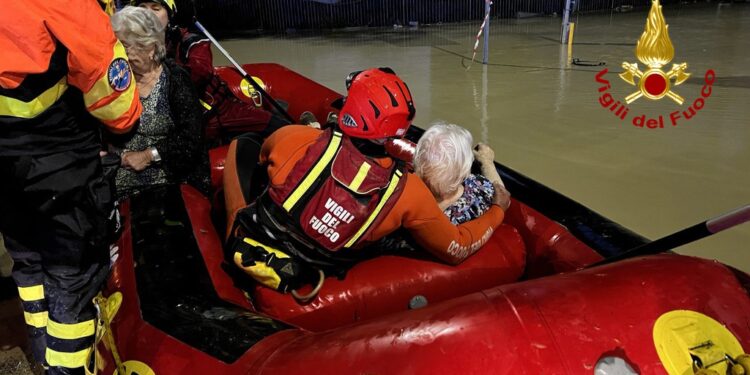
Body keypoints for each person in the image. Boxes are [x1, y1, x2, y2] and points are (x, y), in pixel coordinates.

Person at [223, 68, 511, 295]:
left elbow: (261, 157)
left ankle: (231, 228)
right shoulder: (408, 191)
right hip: (317, 268)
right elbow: (456, 248)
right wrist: (498, 209)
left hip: (256, 242)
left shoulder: (294, 138)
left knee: (244, 143)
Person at [0, 1, 142, 373]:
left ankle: (40, 348)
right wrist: (126, 130)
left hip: (5, 169)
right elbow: (116, 104)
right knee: (72, 277)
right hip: (58, 163)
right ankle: (66, 368)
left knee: (28, 260)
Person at [135, 0, 290, 137]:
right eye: (142, 8)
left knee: (278, 127)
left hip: (221, 111)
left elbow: (200, 72)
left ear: (170, 15)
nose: (148, 14)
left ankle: (285, 119)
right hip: (184, 119)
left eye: (155, 9)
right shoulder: (128, 48)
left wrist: (157, 72)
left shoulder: (191, 41)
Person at [109, 6, 210, 199]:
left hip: (170, 180)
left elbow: (191, 141)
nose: (119, 54)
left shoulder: (175, 79)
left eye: (125, 46)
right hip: (118, 178)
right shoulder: (114, 80)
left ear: (151, 48)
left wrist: (147, 156)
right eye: (116, 46)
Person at [414, 123, 505, 224]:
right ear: (464, 171)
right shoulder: (479, 195)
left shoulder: (409, 199)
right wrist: (486, 162)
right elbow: (502, 194)